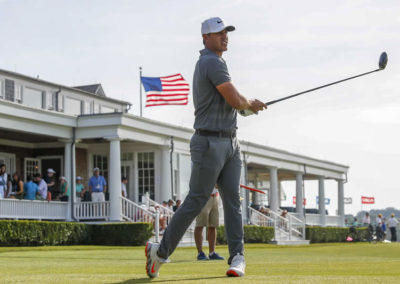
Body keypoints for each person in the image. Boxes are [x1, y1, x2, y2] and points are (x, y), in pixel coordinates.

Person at [145, 17, 266, 278]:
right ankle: (161, 252)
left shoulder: (218, 62)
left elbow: (229, 103)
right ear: (205, 38)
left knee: (233, 202)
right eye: (218, 33)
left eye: (226, 32)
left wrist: (245, 109)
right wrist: (250, 103)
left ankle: (237, 257)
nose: (225, 36)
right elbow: (234, 98)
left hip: (230, 142)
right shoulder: (210, 61)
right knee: (196, 200)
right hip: (209, 142)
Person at [194, 186, 224, 261]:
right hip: (204, 197)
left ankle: (212, 253)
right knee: (200, 225)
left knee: (213, 225)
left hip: (215, 196)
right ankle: (200, 253)